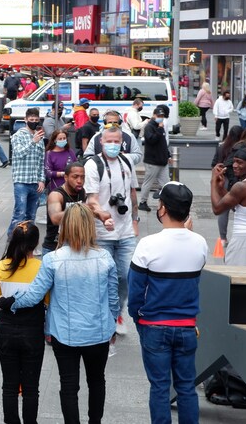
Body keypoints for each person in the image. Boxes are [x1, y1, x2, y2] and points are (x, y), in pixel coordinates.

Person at [2, 204, 117, 424]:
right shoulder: (105, 258)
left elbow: (34, 295)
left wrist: (11, 303)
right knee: (96, 381)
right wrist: (111, 324)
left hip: (65, 333)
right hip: (98, 332)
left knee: (69, 385)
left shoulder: (53, 259)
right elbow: (112, 299)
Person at [128, 182, 207, 424]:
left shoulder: (148, 245)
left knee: (160, 388)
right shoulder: (200, 243)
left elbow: (135, 293)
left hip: (154, 325)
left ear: (162, 208)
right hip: (186, 325)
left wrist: (139, 319)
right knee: (186, 387)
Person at [84, 126, 139, 335]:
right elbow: (91, 200)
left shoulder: (126, 162)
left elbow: (132, 192)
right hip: (102, 231)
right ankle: (105, 314)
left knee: (126, 276)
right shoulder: (93, 164)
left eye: (117, 141)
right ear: (101, 142)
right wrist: (102, 216)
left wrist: (135, 220)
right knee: (105, 276)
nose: (113, 145)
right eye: (109, 141)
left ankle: (117, 312)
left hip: (125, 230)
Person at [0, 221, 46, 424]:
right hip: (32, 332)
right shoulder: (41, 268)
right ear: (35, 243)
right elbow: (47, 300)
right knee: (31, 387)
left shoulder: (2, 266)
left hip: (7, 330)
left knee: (9, 385)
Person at [210, 147, 246, 266]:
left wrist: (213, 182)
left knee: (235, 282)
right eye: (234, 161)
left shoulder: (242, 186)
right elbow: (237, 206)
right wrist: (221, 188)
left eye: (239, 162)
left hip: (243, 243)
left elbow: (217, 209)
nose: (235, 165)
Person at [8, 108, 46, 238]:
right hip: (21, 181)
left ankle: (28, 241)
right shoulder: (18, 135)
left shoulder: (40, 137)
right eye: (31, 120)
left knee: (31, 215)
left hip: (35, 181)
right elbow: (18, 154)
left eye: (36, 120)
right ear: (25, 120)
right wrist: (32, 142)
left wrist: (41, 179)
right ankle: (13, 239)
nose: (34, 122)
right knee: (20, 212)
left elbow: (41, 161)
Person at [45, 162, 87, 256]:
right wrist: (82, 210)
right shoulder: (56, 195)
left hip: (75, 247)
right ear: (66, 177)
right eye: (75, 177)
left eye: (82, 177)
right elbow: (55, 218)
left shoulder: (82, 192)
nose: (79, 181)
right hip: (55, 248)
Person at [138, 106, 172, 211]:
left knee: (166, 183)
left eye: (162, 116)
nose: (160, 118)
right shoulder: (150, 127)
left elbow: (163, 144)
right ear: (154, 115)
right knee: (148, 182)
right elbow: (151, 140)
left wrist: (168, 155)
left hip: (162, 161)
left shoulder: (159, 126)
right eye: (158, 116)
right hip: (152, 161)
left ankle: (167, 202)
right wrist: (160, 129)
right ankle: (142, 202)